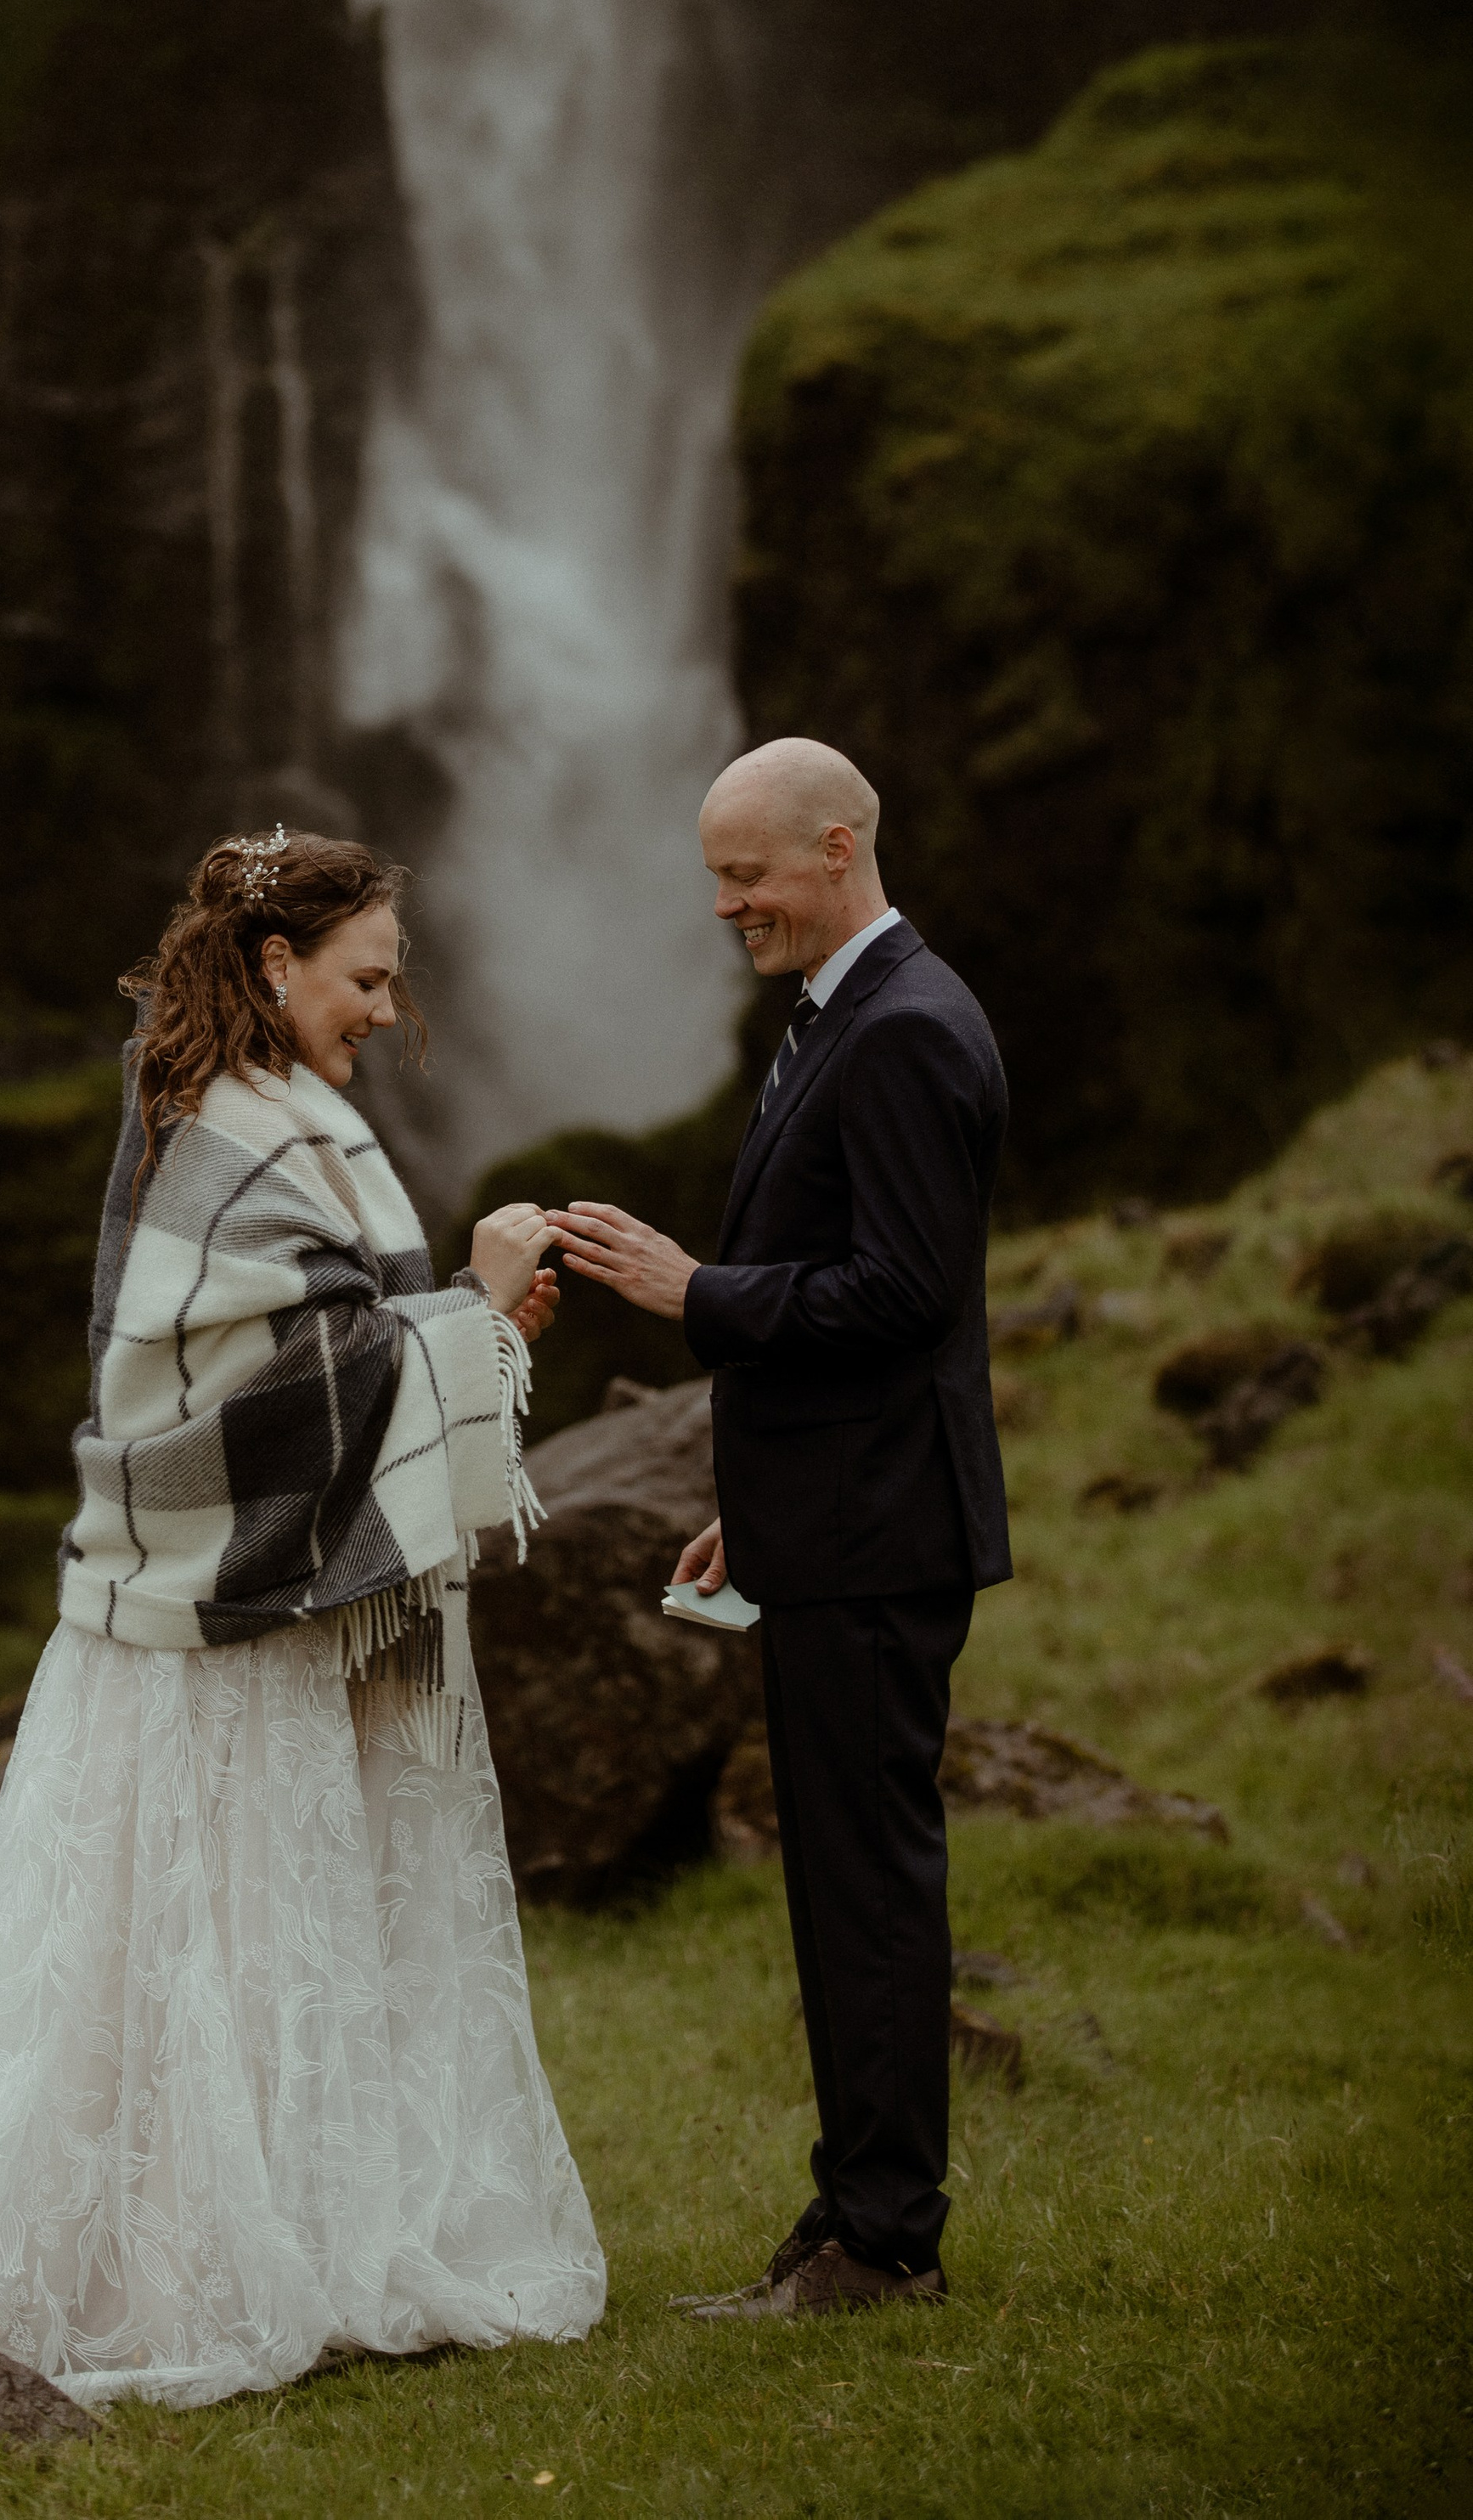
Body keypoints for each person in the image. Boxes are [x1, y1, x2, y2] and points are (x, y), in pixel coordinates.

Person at [0, 826, 603, 2410]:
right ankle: (189, 2268)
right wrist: (473, 1314)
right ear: (277, 968)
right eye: (366, 976)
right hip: (208, 1633)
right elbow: (260, 1394)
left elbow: (299, 1353)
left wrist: (451, 1327)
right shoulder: (237, 1132)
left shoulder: (242, 1116)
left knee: (230, 1941)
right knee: (195, 1938)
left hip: (207, 1617)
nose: (386, 1006)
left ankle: (241, 2238)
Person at [545, 738, 1007, 2320]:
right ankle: (851, 2219)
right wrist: (756, 1509)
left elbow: (905, 1295)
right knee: (838, 1883)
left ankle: (884, 2245)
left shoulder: (905, 1030)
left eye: (747, 874)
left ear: (838, 846)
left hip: (885, 1539)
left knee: (867, 1888)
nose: (728, 904)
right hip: (838, 1521)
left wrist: (696, 1294)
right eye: (714, 879)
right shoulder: (845, 1016)